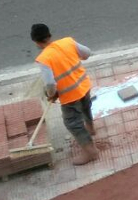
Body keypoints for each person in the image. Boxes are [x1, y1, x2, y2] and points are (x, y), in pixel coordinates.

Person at [31, 23, 99, 165]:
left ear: (36, 42)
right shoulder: (68, 42)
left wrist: (51, 95)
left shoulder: (44, 59)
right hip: (84, 85)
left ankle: (91, 152)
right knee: (86, 107)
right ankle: (91, 129)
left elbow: (50, 84)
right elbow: (86, 53)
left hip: (69, 96)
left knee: (72, 123)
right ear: (49, 35)